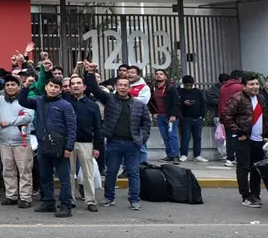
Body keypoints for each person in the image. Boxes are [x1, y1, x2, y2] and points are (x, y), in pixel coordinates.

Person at [84, 66, 153, 211]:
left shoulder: (139, 105)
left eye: (125, 85)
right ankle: (109, 197)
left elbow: (147, 123)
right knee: (111, 172)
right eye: (120, 85)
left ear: (129, 88)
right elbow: (94, 89)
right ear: (116, 87)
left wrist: (142, 139)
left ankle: (134, 199)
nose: (122, 87)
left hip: (132, 144)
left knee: (133, 173)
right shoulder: (109, 100)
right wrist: (90, 73)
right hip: (113, 142)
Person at [19, 76, 77, 217]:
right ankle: (49, 202)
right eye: (51, 86)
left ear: (61, 89)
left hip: (60, 147)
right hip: (43, 145)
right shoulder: (39, 101)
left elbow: (72, 128)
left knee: (64, 178)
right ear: (46, 87)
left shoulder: (66, 105)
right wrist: (26, 86)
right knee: (45, 176)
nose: (53, 89)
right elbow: (23, 101)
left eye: (56, 87)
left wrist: (69, 148)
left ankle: (65, 205)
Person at [0, 75, 35, 208]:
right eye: (7, 85)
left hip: (21, 141)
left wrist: (9, 122)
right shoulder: (1, 99)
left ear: (18, 86)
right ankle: (11, 196)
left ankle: (25, 197)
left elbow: (28, 118)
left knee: (24, 170)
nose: (10, 87)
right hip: (5, 141)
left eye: (13, 85)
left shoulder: (26, 100)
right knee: (8, 169)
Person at [221, 74, 268, 208]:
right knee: (243, 168)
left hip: (259, 140)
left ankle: (255, 194)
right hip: (243, 139)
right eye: (251, 84)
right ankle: (246, 196)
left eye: (257, 84)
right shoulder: (237, 98)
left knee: (256, 168)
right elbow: (226, 117)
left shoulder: (261, 98)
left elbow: (264, 117)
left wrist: (265, 135)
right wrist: (240, 133)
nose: (255, 87)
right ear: (244, 86)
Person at [63, 74, 103, 212]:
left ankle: (90, 200)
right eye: (72, 83)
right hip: (68, 143)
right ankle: (70, 199)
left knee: (88, 173)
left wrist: (97, 146)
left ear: (84, 87)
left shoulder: (93, 105)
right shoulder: (65, 102)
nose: (75, 85)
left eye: (78, 83)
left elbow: (98, 127)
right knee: (69, 172)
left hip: (86, 143)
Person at [149, 69, 181, 162]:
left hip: (170, 116)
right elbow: (151, 101)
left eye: (161, 74)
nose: (158, 75)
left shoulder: (170, 88)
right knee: (165, 137)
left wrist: (174, 115)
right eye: (157, 74)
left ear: (165, 77)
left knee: (172, 135)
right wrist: (154, 112)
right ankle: (169, 155)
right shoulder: (153, 88)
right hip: (160, 116)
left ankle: (175, 156)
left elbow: (176, 102)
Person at [177, 75, 207, 162]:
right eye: (187, 85)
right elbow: (177, 104)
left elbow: (203, 104)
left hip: (198, 118)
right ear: (183, 84)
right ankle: (183, 154)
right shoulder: (180, 91)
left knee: (197, 137)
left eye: (190, 85)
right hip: (185, 118)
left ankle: (197, 155)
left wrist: (202, 116)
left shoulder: (197, 92)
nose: (189, 87)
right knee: (186, 137)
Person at [218, 70, 245, 167]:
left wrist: (221, 117)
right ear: (239, 78)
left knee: (229, 138)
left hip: (226, 117)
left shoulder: (222, 88)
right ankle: (238, 158)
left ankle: (230, 158)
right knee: (239, 138)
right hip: (237, 117)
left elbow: (220, 103)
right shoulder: (239, 87)